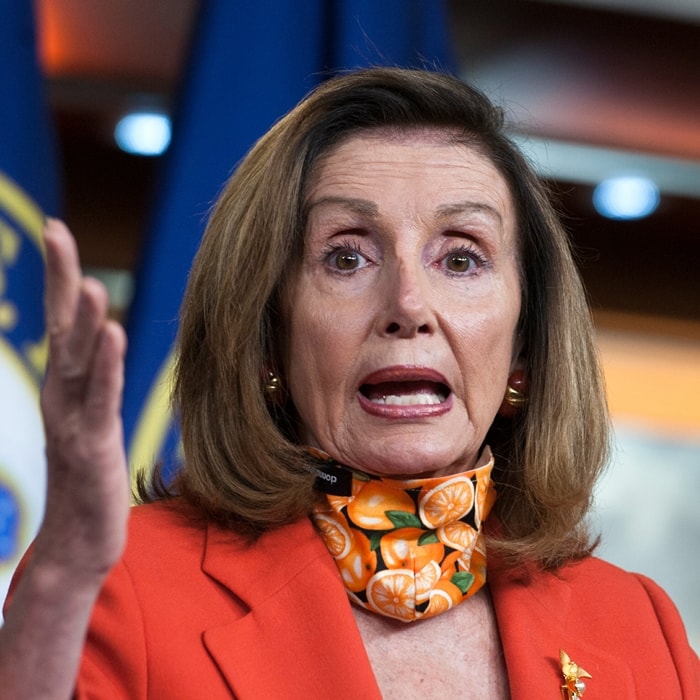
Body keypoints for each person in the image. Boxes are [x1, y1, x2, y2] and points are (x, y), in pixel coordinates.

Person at [1, 67, 698, 699]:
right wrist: (64, 581)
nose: (408, 306)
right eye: (346, 257)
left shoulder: (640, 628)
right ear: (268, 333)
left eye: (460, 258)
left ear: (525, 347)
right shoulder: (119, 590)